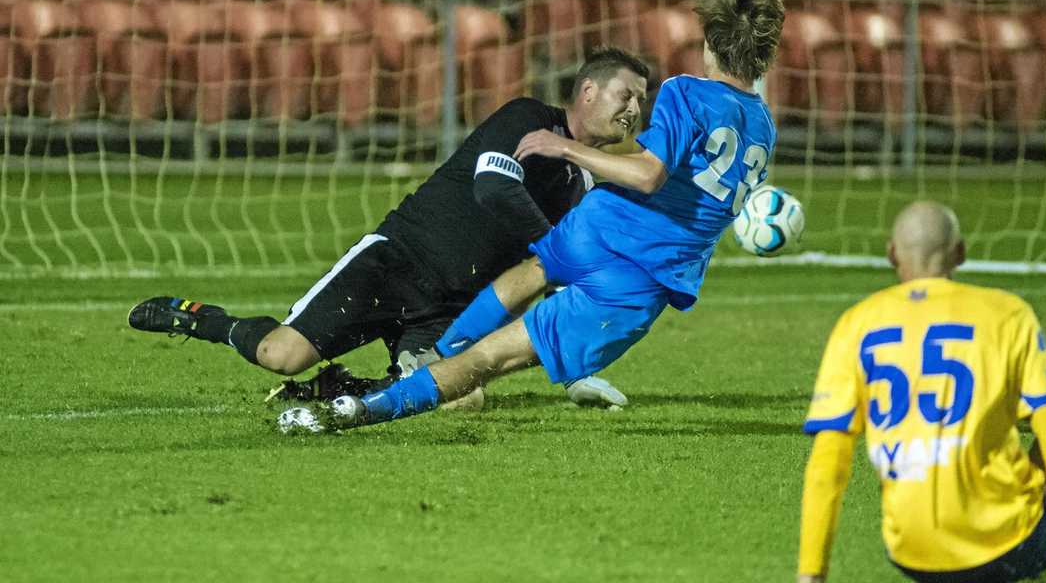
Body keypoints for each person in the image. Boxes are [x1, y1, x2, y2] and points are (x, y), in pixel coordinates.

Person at [277, 0, 786, 433]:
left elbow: (649, 175)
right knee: (488, 361)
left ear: (709, 42)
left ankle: (434, 354)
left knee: (528, 273)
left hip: (603, 227)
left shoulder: (684, 91)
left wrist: (566, 146)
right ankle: (359, 410)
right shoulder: (764, 126)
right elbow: (656, 175)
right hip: (641, 277)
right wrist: (568, 147)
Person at [127, 46, 652, 409]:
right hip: (398, 263)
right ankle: (198, 318)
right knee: (280, 355)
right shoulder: (528, 119)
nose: (634, 109)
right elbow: (494, 189)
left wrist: (573, 368)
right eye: (625, 95)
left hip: (447, 308)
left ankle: (339, 388)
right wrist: (555, 254)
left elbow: (532, 276)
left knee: (461, 400)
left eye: (641, 101)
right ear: (587, 90)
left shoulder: (585, 181)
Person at [795, 201, 1046, 583]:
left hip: (911, 553)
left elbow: (827, 466)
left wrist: (810, 576)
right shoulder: (1006, 314)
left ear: (892, 253)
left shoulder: (855, 324)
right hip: (1009, 548)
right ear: (960, 252)